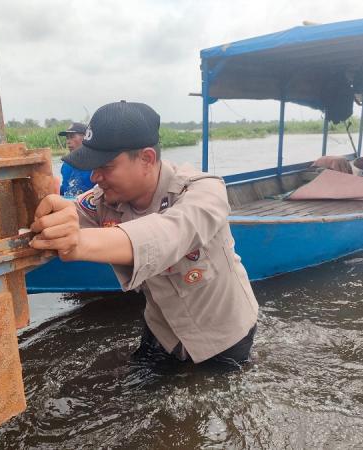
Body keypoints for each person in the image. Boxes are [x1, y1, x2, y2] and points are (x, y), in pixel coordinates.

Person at [31, 101, 258, 367]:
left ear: (147, 159)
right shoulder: (103, 200)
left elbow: (170, 234)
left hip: (222, 335)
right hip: (163, 329)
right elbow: (65, 218)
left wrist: (79, 241)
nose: (94, 177)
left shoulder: (204, 191)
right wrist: (47, 211)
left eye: (105, 166)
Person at [58, 122, 95, 197]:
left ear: (85, 137)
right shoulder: (66, 164)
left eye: (72, 137)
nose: (68, 142)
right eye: (67, 138)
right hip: (69, 204)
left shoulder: (97, 163)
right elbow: (65, 189)